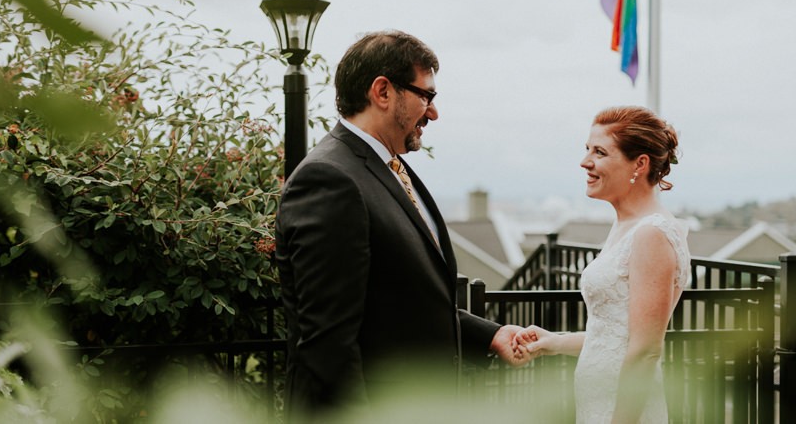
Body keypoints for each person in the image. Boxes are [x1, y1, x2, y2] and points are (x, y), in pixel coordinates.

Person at [275, 30, 524, 421]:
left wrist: (489, 336)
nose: (434, 112)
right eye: (426, 95)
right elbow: (328, 342)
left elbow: (397, 300)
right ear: (383, 92)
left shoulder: (387, 168)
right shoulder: (330, 179)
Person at [513, 105, 690, 424]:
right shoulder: (627, 226)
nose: (585, 162)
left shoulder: (652, 233)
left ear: (640, 163)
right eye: (587, 150)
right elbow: (614, 336)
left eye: (600, 152)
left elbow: (645, 351)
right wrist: (551, 343)